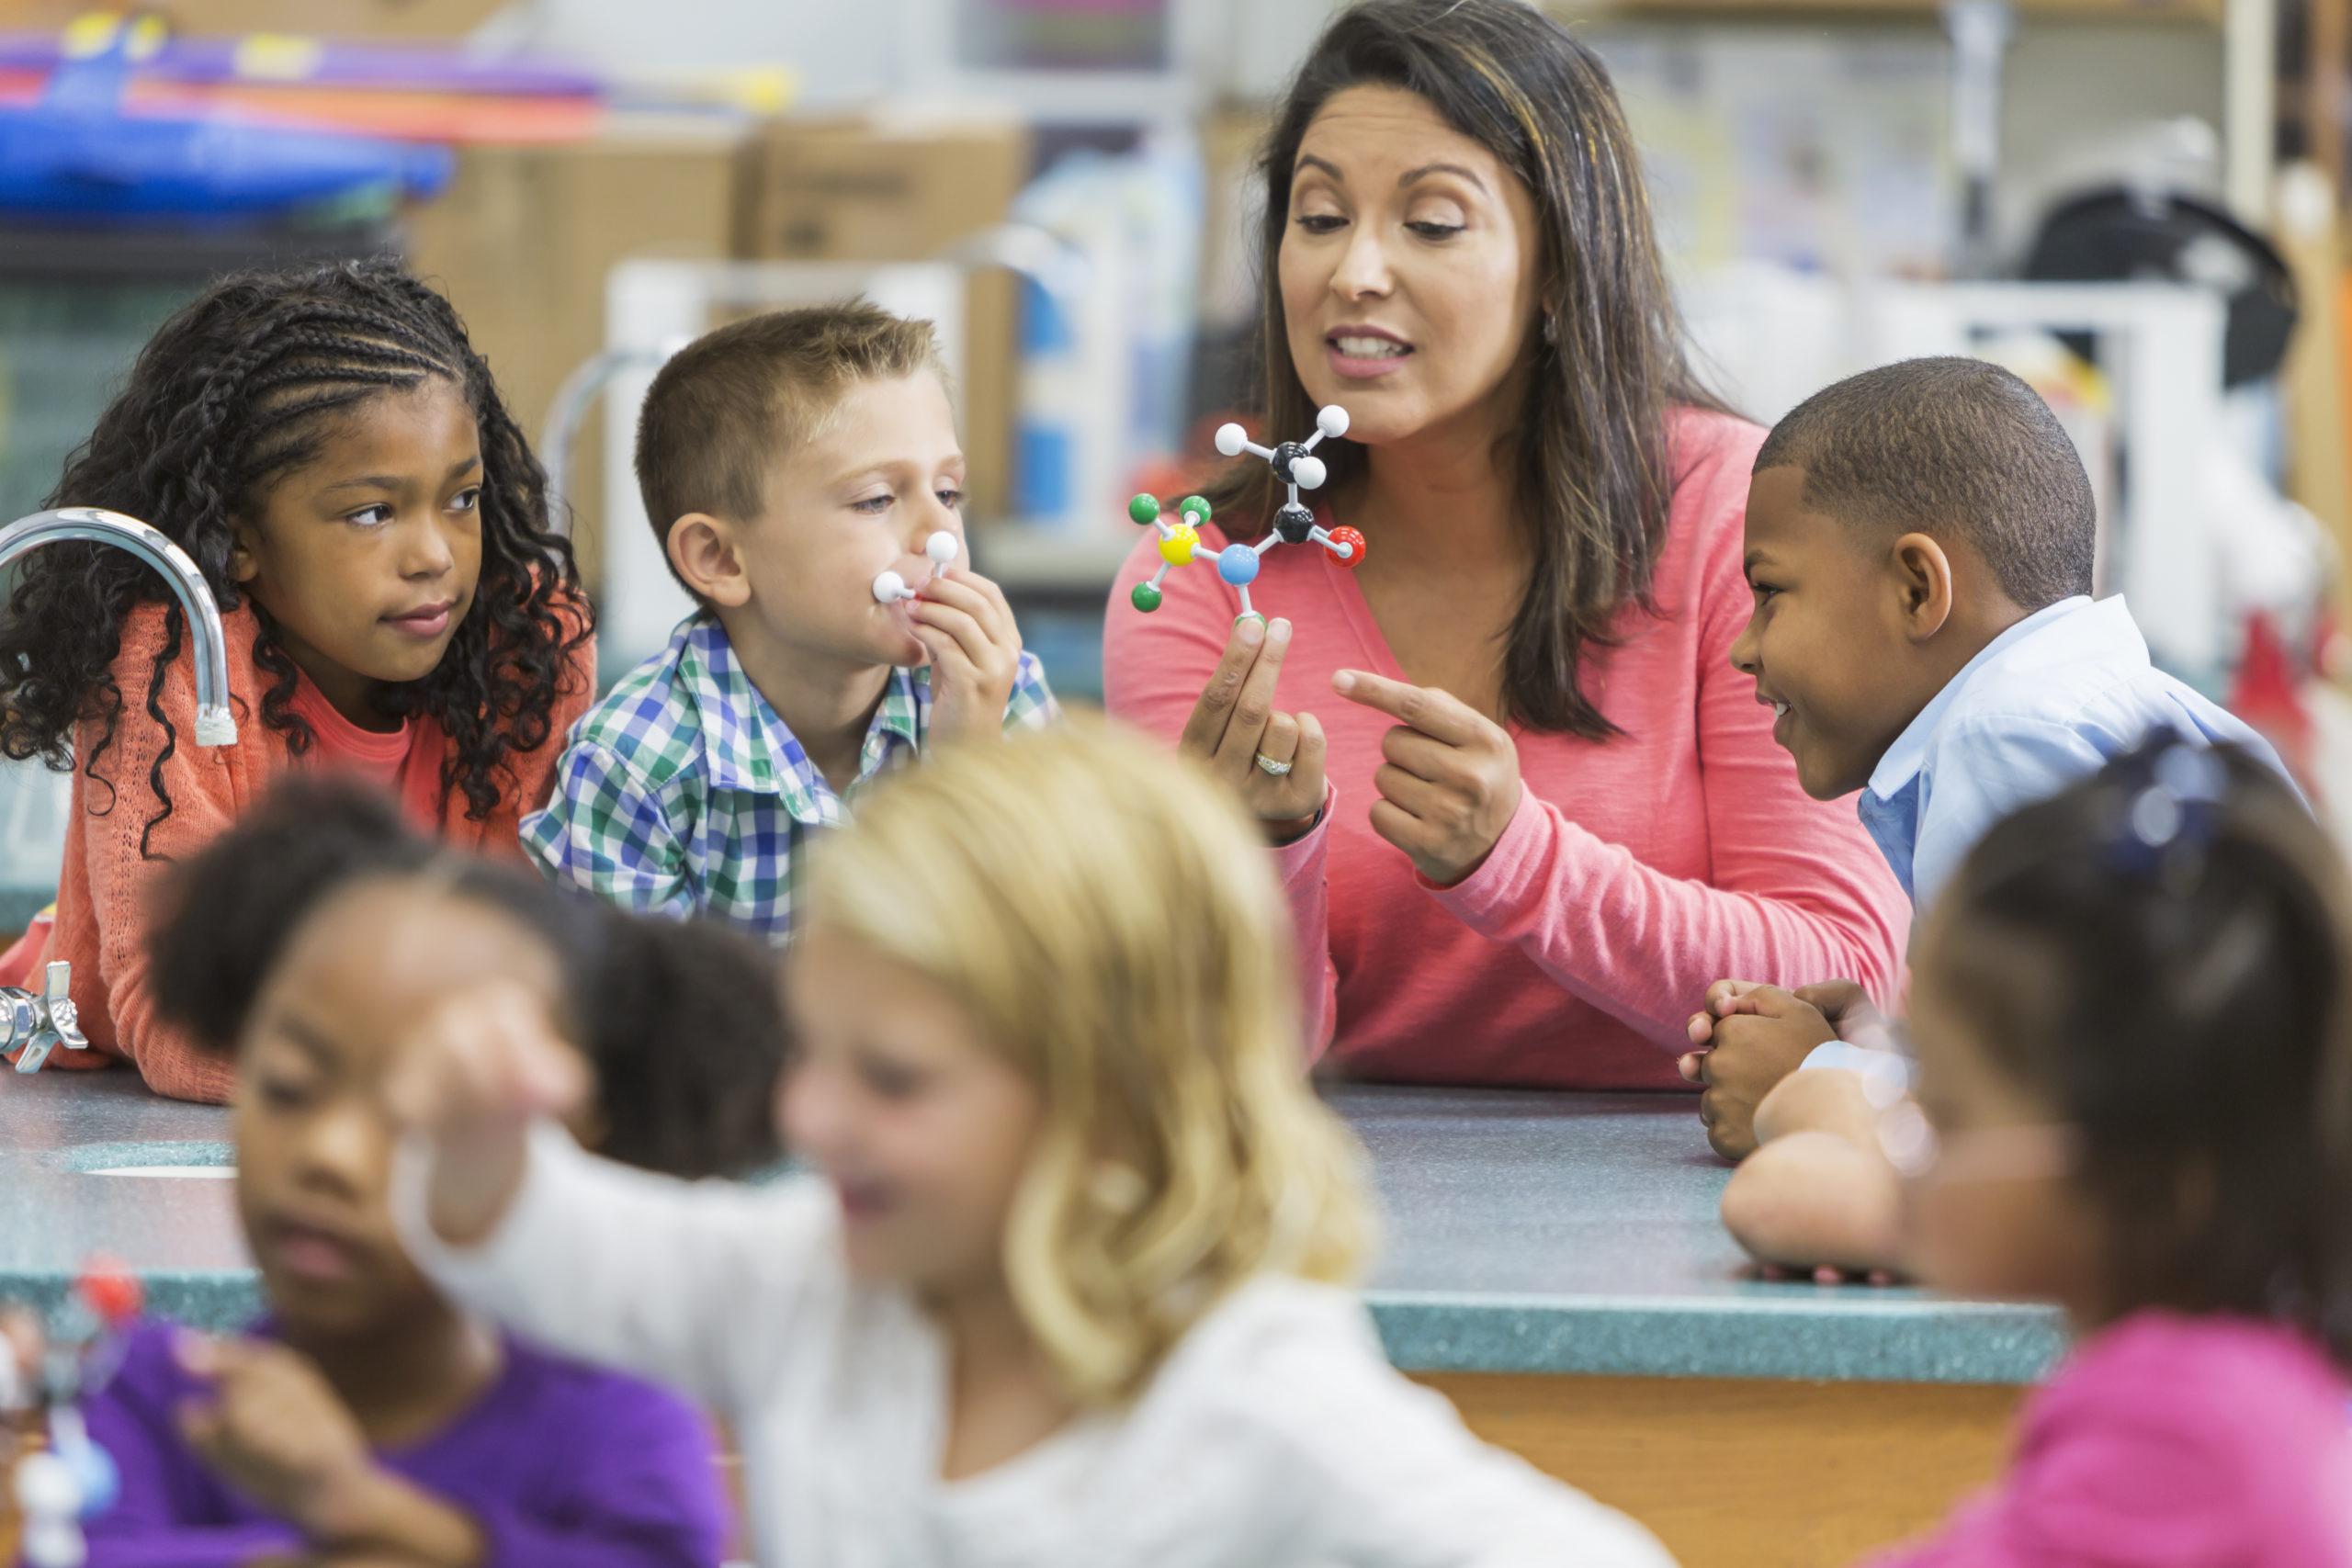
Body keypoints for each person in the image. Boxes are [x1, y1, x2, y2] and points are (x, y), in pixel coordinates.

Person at [387, 724, 1675, 1567]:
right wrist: (477, 1135)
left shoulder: (1250, 1396)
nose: (810, 1118)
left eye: (892, 1077)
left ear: (1107, 1096)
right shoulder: (815, 1283)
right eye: (812, 1052)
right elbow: (553, 1248)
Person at [1104, 0, 1906, 1087]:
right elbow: (1213, 1059)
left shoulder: (1736, 518)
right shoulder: (1203, 573)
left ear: (1559, 268)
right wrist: (1264, 851)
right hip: (1344, 1197)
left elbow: (1846, 980)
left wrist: (1514, 861)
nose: (1354, 273)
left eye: (1430, 224)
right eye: (1320, 217)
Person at [74, 778, 791, 1566]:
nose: (330, 1155)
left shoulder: (621, 1421)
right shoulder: (160, 1397)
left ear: (566, 1150)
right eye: (287, 1087)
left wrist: (354, 1502)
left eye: (422, 1118)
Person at [1726, 742, 2352, 1562]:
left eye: (1946, 1113)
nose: (1906, 1138)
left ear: (2147, 1170)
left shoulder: (2188, 1427)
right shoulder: (2238, 1363)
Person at [0, 258, 595, 1103]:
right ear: (239, 538)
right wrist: (435, 1069)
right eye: (371, 513)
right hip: (94, 1059)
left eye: (461, 498)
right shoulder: (171, 653)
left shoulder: (528, 642)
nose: (435, 556)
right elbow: (171, 1013)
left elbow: (529, 942)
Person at [1684, 358, 2284, 1158]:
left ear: (1916, 590)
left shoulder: (2001, 734)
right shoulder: (2117, 710)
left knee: (1788, 1201)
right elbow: (2103, 1038)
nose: (1743, 650)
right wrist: (1890, 1048)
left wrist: (1812, 1079)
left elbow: (2050, 1134)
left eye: (1770, 592)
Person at [521, 303, 1057, 942]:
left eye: (948, 492)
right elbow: (638, 1026)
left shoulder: (999, 694)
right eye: (876, 499)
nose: (940, 532)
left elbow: (1041, 978)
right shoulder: (633, 765)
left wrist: (970, 773)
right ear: (719, 558)